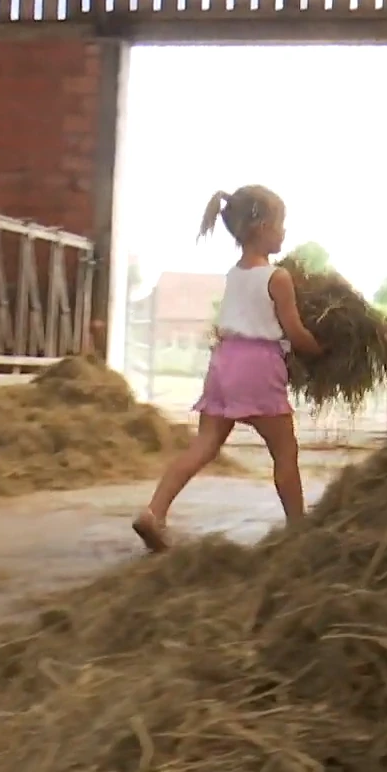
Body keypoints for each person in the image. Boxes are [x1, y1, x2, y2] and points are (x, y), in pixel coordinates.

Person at [133, 185, 323, 553]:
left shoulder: (234, 274)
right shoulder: (277, 278)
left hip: (223, 361)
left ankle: (153, 512)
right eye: (281, 224)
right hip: (257, 366)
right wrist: (320, 350)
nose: (284, 232)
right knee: (285, 451)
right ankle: (299, 531)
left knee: (203, 445)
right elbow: (295, 331)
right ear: (262, 227)